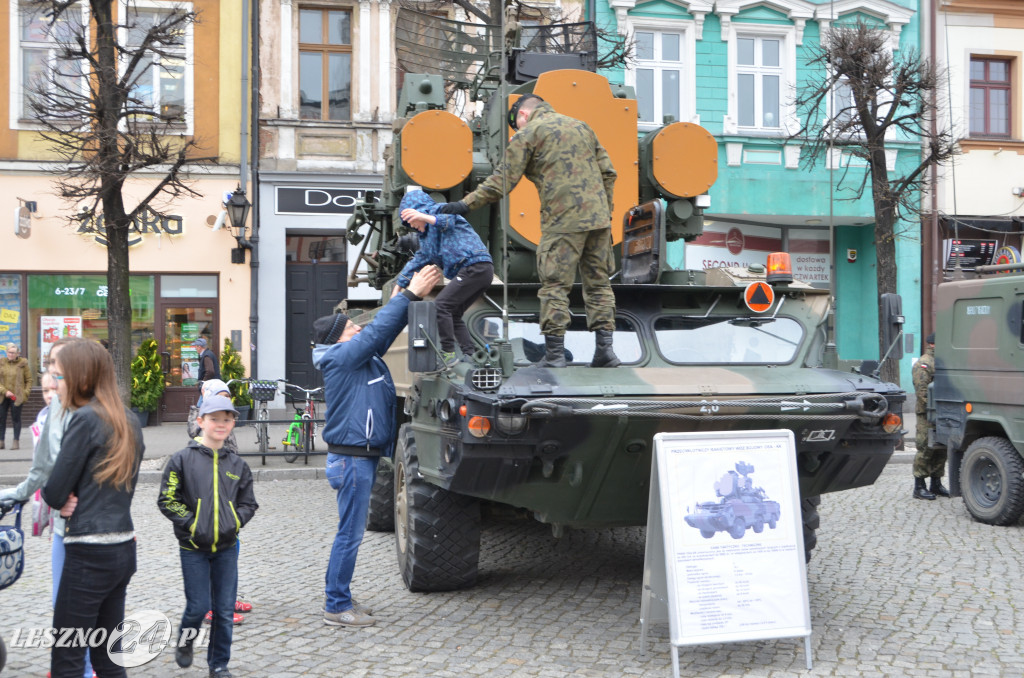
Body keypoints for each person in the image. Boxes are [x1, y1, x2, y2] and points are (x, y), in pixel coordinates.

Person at [439, 93, 620, 368]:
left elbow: (502, 181)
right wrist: (604, 213)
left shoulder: (529, 133)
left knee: (556, 286)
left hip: (562, 221)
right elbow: (609, 172)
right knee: (599, 285)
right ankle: (606, 352)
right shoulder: (582, 126)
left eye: (517, 124)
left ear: (523, 115)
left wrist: (465, 204)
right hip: (598, 222)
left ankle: (555, 355)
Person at [314, 264, 442, 627]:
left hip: (357, 458)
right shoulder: (341, 358)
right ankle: (336, 606)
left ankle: (341, 596)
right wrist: (413, 294)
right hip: (352, 460)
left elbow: (381, 335)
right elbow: (378, 332)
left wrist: (404, 284)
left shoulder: (356, 358)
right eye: (353, 327)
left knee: (348, 533)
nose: (360, 327)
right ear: (340, 338)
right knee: (349, 535)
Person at [41, 340, 145, 678]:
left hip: (88, 551)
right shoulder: (129, 420)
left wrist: (62, 495)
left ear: (82, 377)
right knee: (108, 657)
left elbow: (55, 492)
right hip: (123, 548)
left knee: (68, 657)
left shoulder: (84, 419)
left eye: (61, 376)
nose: (57, 383)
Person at [0, 338, 95, 678]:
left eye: (59, 372)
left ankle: (85, 668)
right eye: (50, 374)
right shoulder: (50, 415)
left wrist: (77, 494)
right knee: (63, 604)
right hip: (63, 525)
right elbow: (42, 470)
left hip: (94, 527)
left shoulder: (93, 412)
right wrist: (18, 494)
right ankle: (73, 666)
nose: (53, 382)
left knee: (88, 606)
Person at [159, 394, 258, 677]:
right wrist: (193, 524)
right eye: (214, 419)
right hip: (193, 548)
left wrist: (234, 521)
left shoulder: (238, 465)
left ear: (232, 424)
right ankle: (186, 641)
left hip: (226, 547)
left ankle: (219, 665)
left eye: (227, 420)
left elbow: (248, 503)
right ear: (200, 421)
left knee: (224, 611)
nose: (221, 424)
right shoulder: (181, 460)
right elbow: (167, 499)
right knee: (198, 606)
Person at [393, 189, 494, 366]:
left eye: (412, 221)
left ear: (419, 211)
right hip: (473, 272)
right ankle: (469, 354)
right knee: (453, 313)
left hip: (475, 265)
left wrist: (423, 216)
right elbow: (418, 261)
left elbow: (448, 222)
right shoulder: (426, 240)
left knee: (441, 306)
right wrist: (398, 287)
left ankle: (448, 352)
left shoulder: (441, 210)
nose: (412, 226)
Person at [912, 333, 948, 500]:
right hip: (927, 413)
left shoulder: (941, 361)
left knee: (940, 449)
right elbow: (922, 391)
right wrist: (933, 408)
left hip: (942, 412)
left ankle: (936, 483)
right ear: (933, 344)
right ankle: (919, 486)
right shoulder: (924, 363)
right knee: (925, 448)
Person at [0, 342, 34, 449]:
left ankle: (16, 441)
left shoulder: (23, 364)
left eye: (14, 353)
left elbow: (29, 380)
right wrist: (4, 391)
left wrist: (25, 393)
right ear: (6, 352)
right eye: (9, 352)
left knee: (16, 419)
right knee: (1, 419)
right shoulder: (1, 363)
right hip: (3, 396)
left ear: (17, 353)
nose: (11, 355)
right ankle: (1, 441)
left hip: (17, 397)